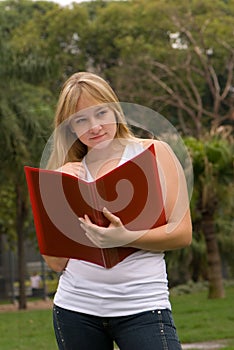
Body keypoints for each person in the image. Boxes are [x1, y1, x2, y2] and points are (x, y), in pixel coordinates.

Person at [42, 71, 192, 350]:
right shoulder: (65, 174)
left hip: (143, 307)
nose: (95, 126)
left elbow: (182, 233)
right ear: (70, 127)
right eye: (81, 119)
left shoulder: (155, 153)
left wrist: (125, 237)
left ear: (115, 109)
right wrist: (60, 188)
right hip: (76, 310)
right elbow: (55, 262)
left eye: (101, 113)